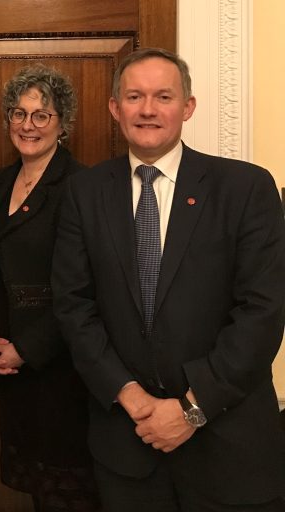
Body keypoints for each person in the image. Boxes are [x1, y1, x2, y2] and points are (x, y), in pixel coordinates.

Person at [52, 47, 285, 511]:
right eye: (134, 97)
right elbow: (73, 306)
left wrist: (191, 408)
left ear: (188, 107)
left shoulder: (245, 188)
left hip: (230, 448)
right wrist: (131, 395)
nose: (148, 109)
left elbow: (264, 312)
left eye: (163, 96)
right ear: (116, 108)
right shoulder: (84, 193)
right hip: (128, 445)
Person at [0, 64, 99, 511]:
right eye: (18, 113)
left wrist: (28, 348)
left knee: (68, 495)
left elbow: (88, 287)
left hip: (62, 368)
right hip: (12, 370)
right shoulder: (0, 183)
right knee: (35, 493)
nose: (27, 125)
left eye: (41, 115)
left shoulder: (82, 186)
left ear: (62, 124)